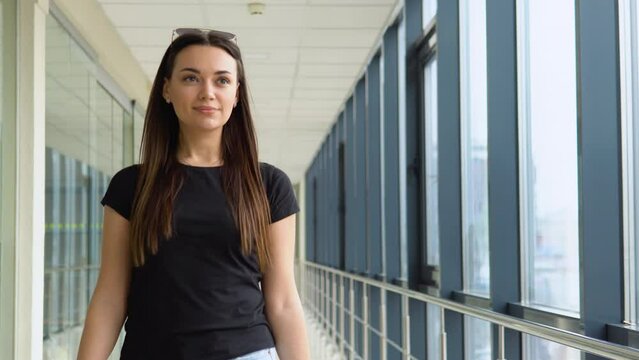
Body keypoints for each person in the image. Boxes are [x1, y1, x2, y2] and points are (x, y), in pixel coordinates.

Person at [77, 28, 310, 360]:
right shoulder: (132, 186)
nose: (208, 93)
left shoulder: (269, 185)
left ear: (237, 95)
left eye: (222, 81)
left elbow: (284, 301)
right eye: (191, 78)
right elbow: (111, 295)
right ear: (167, 90)